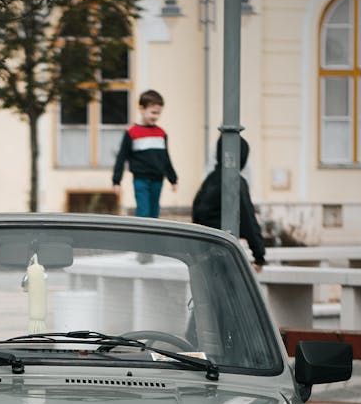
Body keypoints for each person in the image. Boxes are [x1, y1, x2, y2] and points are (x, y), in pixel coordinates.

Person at [192, 135, 267, 271]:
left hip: (203, 249)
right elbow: (248, 219)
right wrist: (259, 255)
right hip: (222, 249)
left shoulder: (210, 179)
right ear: (242, 157)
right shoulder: (235, 181)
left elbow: (197, 211)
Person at [112, 89, 178, 219]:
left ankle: (153, 239)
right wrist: (116, 181)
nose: (156, 116)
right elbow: (121, 157)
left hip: (158, 179)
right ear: (142, 109)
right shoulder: (132, 132)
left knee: (154, 213)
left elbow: (165, 158)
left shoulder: (161, 134)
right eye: (153, 112)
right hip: (141, 179)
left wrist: (173, 178)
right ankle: (140, 238)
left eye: (159, 113)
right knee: (143, 212)